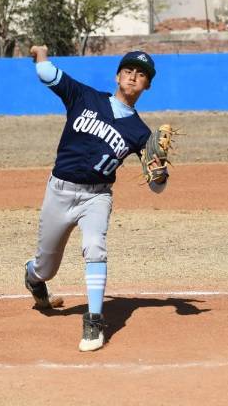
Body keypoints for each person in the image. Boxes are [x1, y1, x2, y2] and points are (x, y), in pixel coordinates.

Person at [24, 45, 168, 352]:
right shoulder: (85, 96)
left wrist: (160, 171)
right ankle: (34, 278)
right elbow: (48, 75)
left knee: (95, 248)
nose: (133, 77)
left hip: (96, 197)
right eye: (128, 71)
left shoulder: (140, 133)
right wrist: (42, 54)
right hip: (59, 191)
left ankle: (94, 320)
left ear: (147, 85)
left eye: (141, 74)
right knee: (46, 267)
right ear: (117, 76)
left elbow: (157, 187)